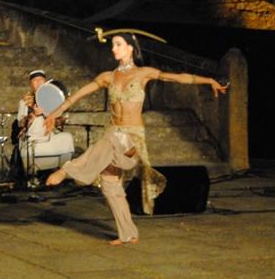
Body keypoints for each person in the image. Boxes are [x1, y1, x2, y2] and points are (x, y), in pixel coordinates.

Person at [44, 32, 228, 246]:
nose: (114, 49)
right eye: (113, 45)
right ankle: (128, 234)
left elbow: (178, 77)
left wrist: (209, 81)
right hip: (113, 133)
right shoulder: (108, 77)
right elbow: (77, 95)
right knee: (109, 184)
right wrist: (55, 112)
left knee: (108, 141)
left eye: (119, 44)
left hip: (131, 138)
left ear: (131, 47)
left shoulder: (144, 73)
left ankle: (67, 169)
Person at [16, 70, 75, 174]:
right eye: (35, 80)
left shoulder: (54, 99)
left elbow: (60, 123)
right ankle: (31, 176)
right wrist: (34, 114)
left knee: (67, 138)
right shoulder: (25, 102)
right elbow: (21, 124)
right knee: (27, 148)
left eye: (41, 80)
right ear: (31, 85)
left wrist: (51, 114)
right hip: (33, 137)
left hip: (50, 135)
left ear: (45, 83)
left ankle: (62, 172)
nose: (38, 82)